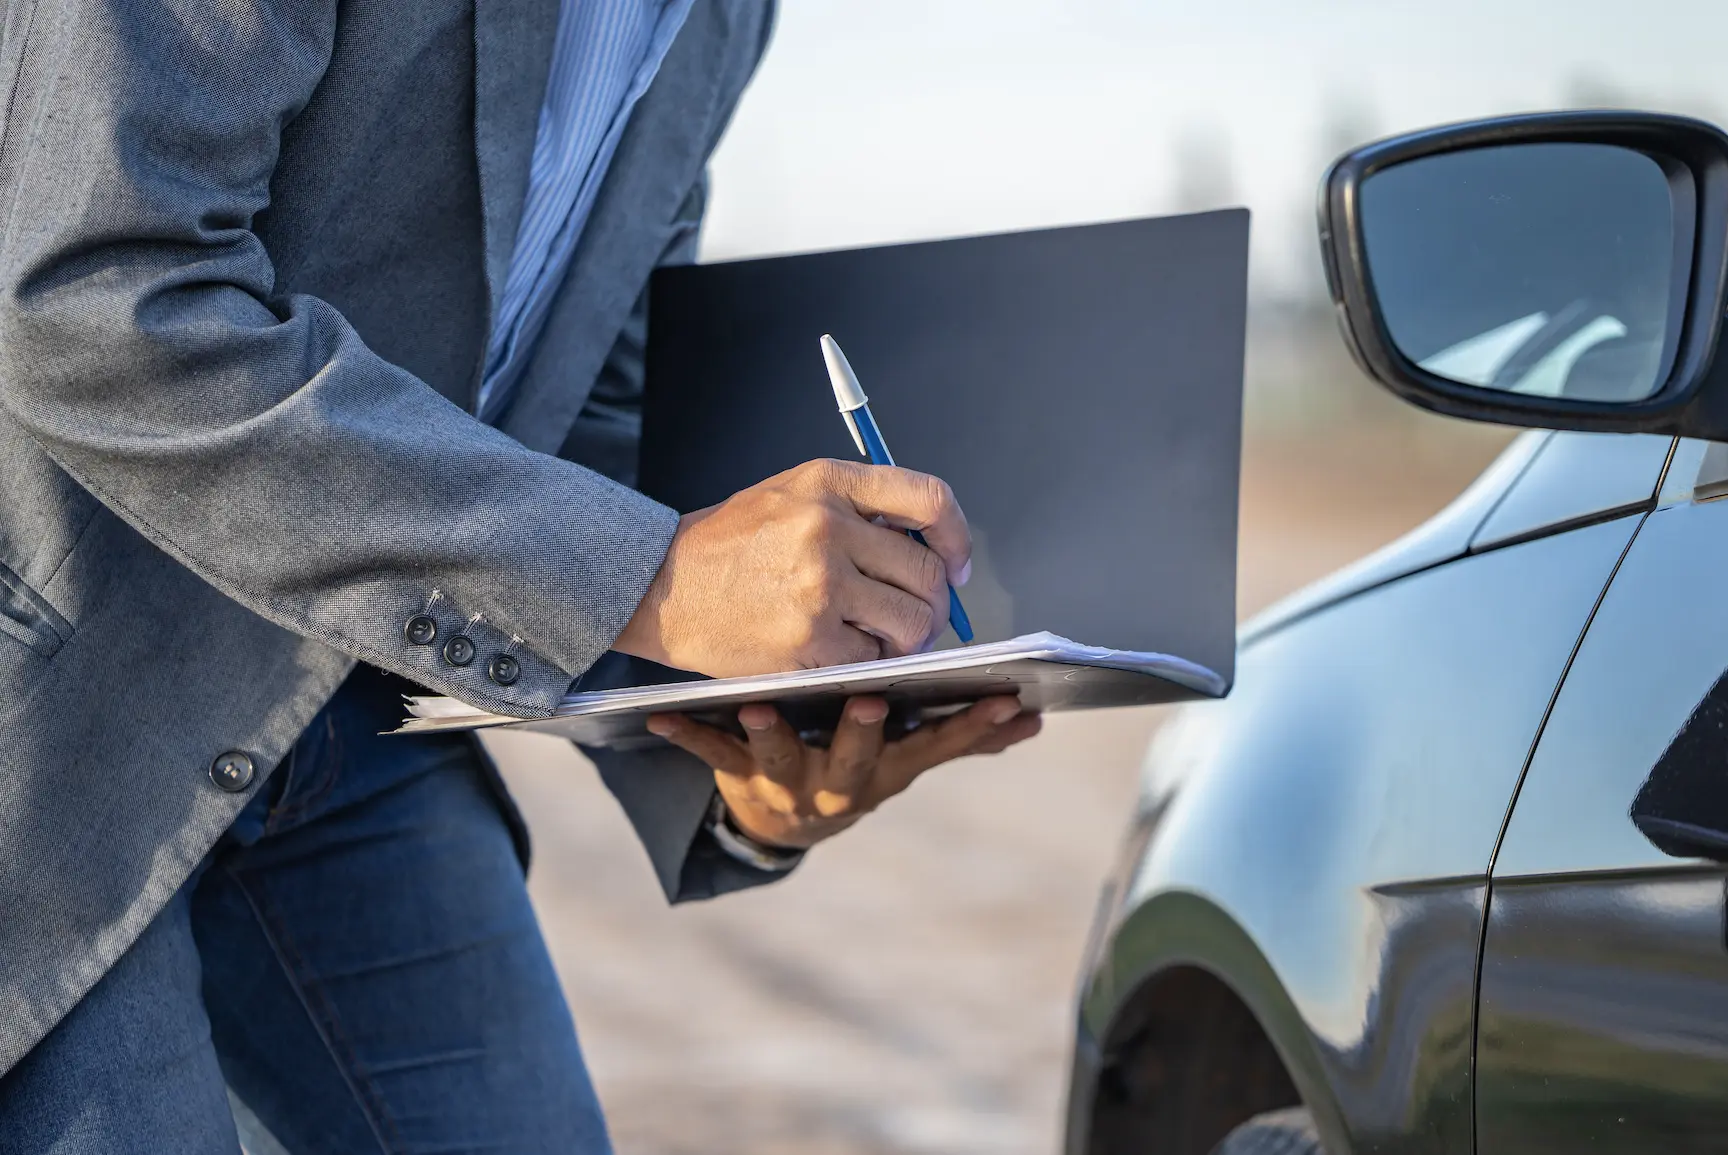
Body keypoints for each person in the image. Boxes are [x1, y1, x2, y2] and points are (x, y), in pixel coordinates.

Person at [0, 0, 1041, 1150]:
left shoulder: (727, 18)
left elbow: (588, 405)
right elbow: (93, 295)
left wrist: (735, 750)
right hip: (57, 702)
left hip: (353, 715)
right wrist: (658, 575)